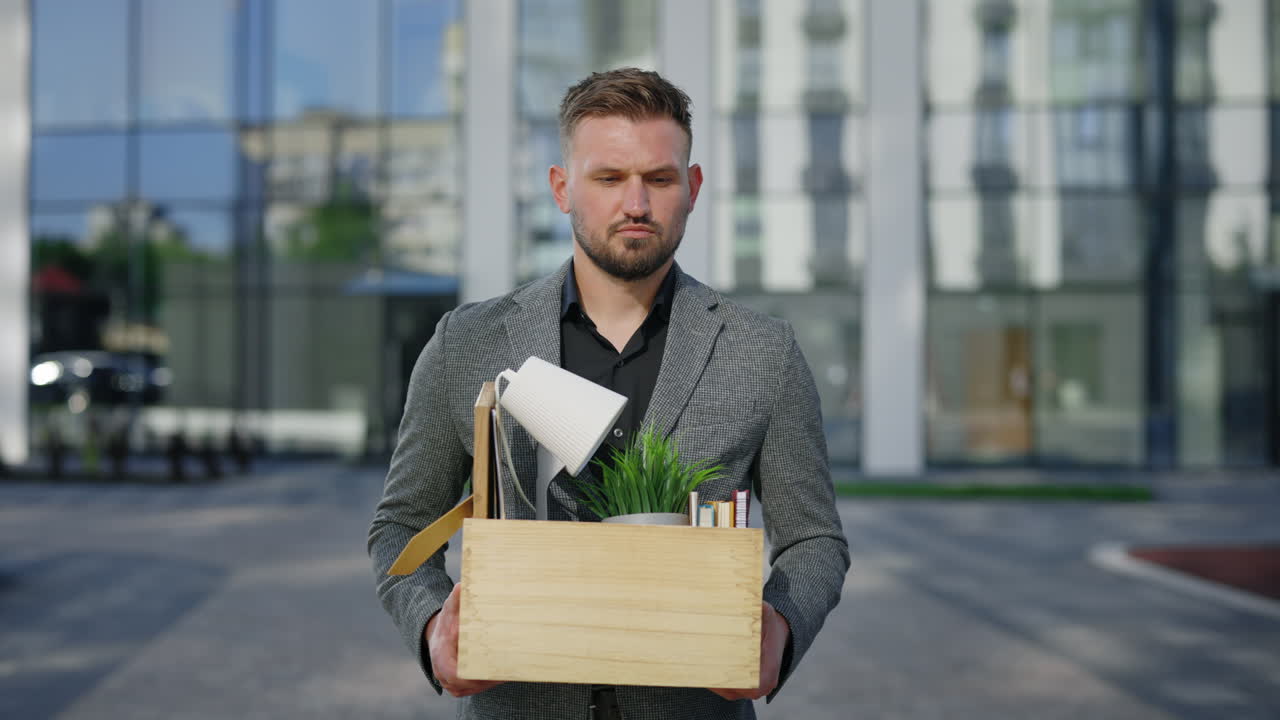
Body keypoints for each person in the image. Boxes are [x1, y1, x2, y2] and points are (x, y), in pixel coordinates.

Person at [369, 68, 849, 720]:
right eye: (608, 178)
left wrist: (781, 628)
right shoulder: (466, 344)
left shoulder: (763, 352)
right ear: (562, 188)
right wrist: (433, 630)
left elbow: (815, 540)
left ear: (693, 188)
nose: (636, 204)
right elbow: (400, 526)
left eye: (659, 178)